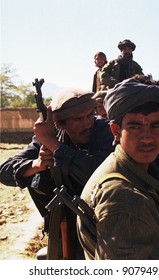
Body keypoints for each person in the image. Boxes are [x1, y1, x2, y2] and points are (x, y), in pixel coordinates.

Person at [77, 77, 159, 260]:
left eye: (156, 126)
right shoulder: (123, 198)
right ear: (116, 131)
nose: (147, 138)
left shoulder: (145, 170)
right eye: (135, 127)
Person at [0, 88, 115, 259]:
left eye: (90, 115)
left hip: (103, 224)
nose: (87, 123)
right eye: (78, 119)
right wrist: (36, 165)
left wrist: (55, 146)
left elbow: (96, 174)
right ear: (60, 124)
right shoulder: (50, 134)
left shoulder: (104, 130)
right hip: (63, 225)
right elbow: (5, 171)